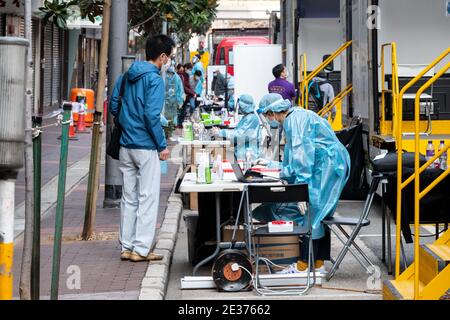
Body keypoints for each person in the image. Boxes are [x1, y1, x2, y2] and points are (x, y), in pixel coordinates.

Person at [256, 96, 351, 274]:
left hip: (325, 167)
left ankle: (303, 266)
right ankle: (318, 264)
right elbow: (293, 162)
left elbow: (303, 159)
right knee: (320, 215)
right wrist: (271, 166)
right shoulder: (294, 118)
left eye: (268, 116)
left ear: (273, 112)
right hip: (328, 165)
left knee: (312, 213)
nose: (269, 120)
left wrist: (301, 190)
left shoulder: (294, 121)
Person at [110, 34, 175, 262]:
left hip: (125, 145)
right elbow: (151, 115)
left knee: (129, 197)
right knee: (148, 197)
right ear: (163, 56)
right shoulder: (155, 80)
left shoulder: (127, 75)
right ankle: (141, 249)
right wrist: (162, 145)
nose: (168, 62)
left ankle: (126, 247)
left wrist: (127, 121)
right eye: (169, 57)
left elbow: (114, 105)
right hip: (146, 146)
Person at [212, 94, 262, 161]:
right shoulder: (246, 117)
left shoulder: (251, 119)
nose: (239, 108)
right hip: (242, 152)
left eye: (240, 106)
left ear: (243, 106)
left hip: (248, 156)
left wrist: (220, 132)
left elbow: (239, 135)